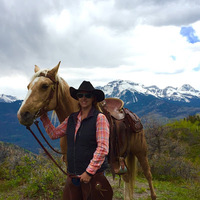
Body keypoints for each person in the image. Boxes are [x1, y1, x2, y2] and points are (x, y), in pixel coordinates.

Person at [40, 81, 113, 200]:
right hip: (73, 176)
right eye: (80, 95)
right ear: (77, 98)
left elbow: (103, 148)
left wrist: (89, 172)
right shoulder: (71, 118)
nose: (84, 98)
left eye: (87, 95)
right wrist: (43, 117)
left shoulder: (100, 118)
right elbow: (54, 134)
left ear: (93, 98)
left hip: (93, 177)